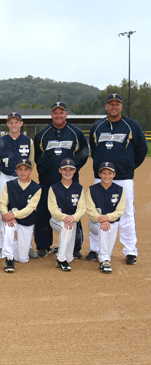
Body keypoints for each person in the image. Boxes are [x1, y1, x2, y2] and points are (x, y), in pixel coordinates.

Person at [88, 93, 147, 265]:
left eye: (117, 104)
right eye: (111, 104)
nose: (114, 106)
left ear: (121, 106)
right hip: (100, 177)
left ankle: (130, 251)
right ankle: (95, 248)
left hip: (123, 177)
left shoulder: (132, 126)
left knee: (126, 213)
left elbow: (141, 150)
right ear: (106, 106)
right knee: (97, 213)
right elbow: (94, 149)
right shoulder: (97, 127)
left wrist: (128, 166)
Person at [33, 102, 88, 258]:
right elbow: (37, 156)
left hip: (70, 182)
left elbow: (84, 153)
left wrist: (72, 168)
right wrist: (45, 168)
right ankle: (43, 246)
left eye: (61, 112)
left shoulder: (76, 132)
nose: (58, 115)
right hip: (47, 180)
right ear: (51, 115)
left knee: (72, 212)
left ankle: (75, 247)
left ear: (66, 114)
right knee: (43, 211)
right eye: (55, 112)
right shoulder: (43, 134)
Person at [0, 112, 34, 258]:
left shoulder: (28, 141)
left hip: (22, 179)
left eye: (16, 122)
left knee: (25, 209)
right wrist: (2, 177)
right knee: (2, 210)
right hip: (5, 177)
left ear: (21, 124)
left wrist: (26, 177)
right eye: (11, 122)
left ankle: (28, 245)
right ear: (7, 124)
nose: (13, 125)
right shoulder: (1, 141)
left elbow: (31, 161)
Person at [0, 159, 41, 273]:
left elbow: (30, 209)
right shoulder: (9, 185)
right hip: (12, 220)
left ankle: (14, 245)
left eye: (26, 169)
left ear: (31, 171)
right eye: (20, 169)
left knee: (22, 259)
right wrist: (6, 214)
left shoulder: (36, 188)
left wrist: (13, 214)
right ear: (16, 171)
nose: (23, 172)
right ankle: (9, 258)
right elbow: (2, 203)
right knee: (8, 227)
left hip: (27, 222)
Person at [85, 162, 126, 274]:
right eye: (104, 173)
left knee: (108, 247)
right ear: (99, 174)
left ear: (114, 174)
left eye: (110, 173)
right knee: (104, 228)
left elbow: (120, 211)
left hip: (113, 223)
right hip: (95, 223)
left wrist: (107, 217)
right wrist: (101, 219)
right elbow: (90, 209)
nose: (106, 176)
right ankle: (104, 261)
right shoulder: (92, 189)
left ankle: (103, 254)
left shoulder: (120, 190)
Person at [48, 158, 86, 272]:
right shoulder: (54, 188)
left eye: (70, 170)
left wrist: (73, 218)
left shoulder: (79, 188)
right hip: (56, 220)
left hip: (72, 221)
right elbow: (53, 209)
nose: (68, 172)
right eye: (65, 170)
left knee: (70, 257)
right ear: (60, 170)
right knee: (66, 226)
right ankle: (60, 260)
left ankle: (61, 250)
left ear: (74, 171)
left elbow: (82, 208)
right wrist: (66, 218)